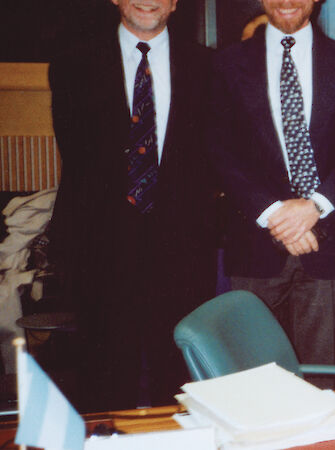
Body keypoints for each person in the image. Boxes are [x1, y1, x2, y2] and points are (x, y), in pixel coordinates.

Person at [48, 0, 217, 411]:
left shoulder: (208, 66)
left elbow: (209, 159)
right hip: (101, 248)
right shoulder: (74, 64)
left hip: (182, 248)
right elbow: (80, 158)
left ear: (176, 3)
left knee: (176, 381)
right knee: (103, 379)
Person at [207, 0, 335, 380]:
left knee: (318, 379)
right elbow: (218, 150)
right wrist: (274, 213)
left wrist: (315, 206)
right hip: (255, 243)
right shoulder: (224, 66)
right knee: (254, 379)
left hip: (326, 243)